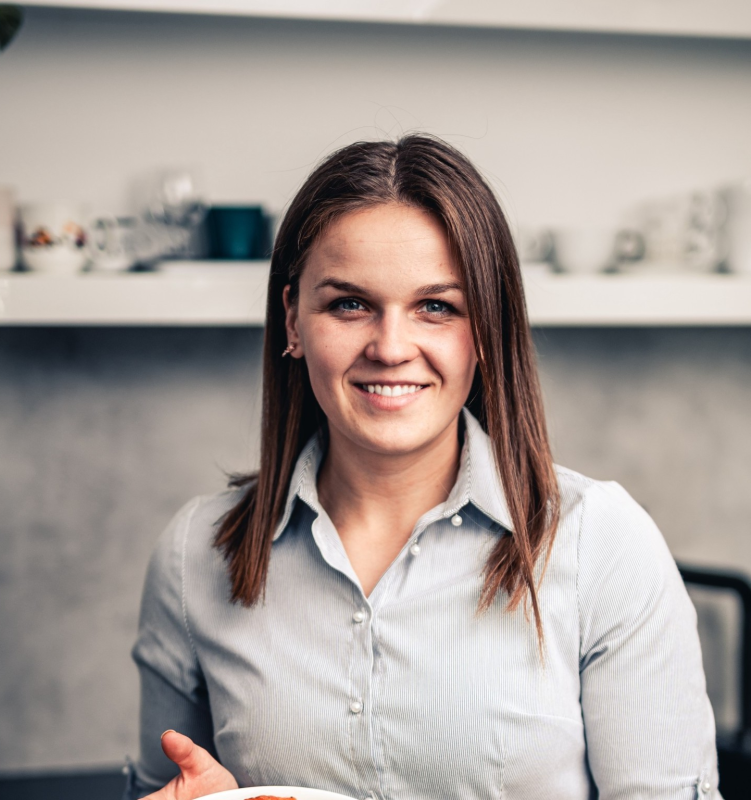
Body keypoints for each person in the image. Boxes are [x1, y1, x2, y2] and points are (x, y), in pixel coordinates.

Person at [127, 135, 721, 799]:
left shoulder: (603, 543)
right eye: (349, 304)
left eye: (436, 307)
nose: (390, 346)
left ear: (488, 329)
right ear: (293, 319)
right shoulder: (195, 555)